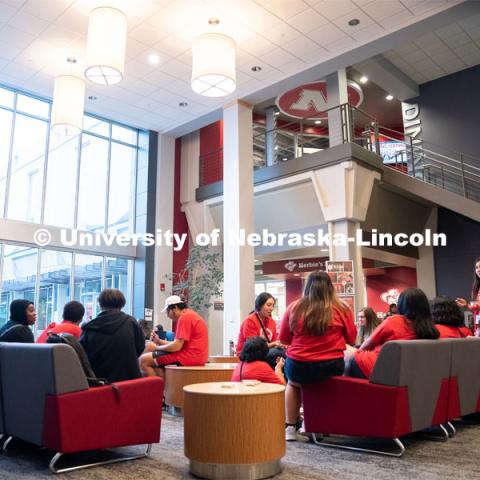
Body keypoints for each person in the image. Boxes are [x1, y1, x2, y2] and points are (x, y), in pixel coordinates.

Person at [279, 271, 356, 442]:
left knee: (293, 384)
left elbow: (284, 338)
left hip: (298, 364)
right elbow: (351, 338)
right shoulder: (342, 308)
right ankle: (315, 424)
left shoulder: (294, 307)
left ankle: (290, 428)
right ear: (330, 287)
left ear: (307, 287)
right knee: (323, 384)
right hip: (330, 365)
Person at [347, 288, 439, 380]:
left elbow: (365, 345)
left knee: (344, 349)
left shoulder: (394, 321)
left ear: (401, 305)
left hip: (372, 367)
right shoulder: (430, 330)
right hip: (400, 374)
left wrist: (357, 353)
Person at [80, 289, 145, 382]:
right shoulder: (131, 322)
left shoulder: (89, 328)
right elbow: (140, 347)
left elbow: (84, 358)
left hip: (100, 383)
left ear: (100, 304)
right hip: (130, 381)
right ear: (122, 304)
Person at [139, 295, 208, 377]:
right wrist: (159, 341)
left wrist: (155, 347)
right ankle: (165, 388)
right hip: (197, 356)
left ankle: (157, 389)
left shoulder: (184, 318)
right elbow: (177, 343)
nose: (168, 315)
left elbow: (176, 347)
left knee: (143, 360)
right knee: (155, 365)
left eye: (168, 311)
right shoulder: (189, 315)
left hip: (189, 357)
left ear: (174, 308)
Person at [236, 292, 285, 369]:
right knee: (276, 353)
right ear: (259, 305)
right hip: (250, 355)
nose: (271, 308)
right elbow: (252, 347)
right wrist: (272, 344)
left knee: (284, 354)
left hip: (266, 352)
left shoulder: (271, 321)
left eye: (273, 306)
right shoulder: (250, 320)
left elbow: (274, 341)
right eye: (268, 305)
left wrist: (279, 344)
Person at [456, 257, 480, 330]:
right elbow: (476, 309)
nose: (478, 270)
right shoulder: (476, 287)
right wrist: (466, 305)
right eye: (476, 267)